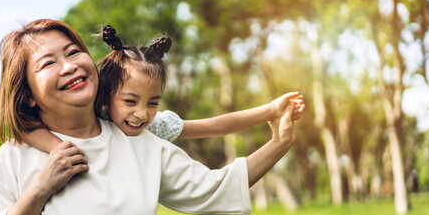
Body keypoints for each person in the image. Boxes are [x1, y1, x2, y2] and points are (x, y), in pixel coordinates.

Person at [0, 19, 300, 215]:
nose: (69, 65)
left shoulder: (140, 141)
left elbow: (218, 189)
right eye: (48, 62)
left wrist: (279, 144)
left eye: (73, 52)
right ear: (28, 94)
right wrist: (39, 190)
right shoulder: (15, 157)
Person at [24, 24, 305, 152]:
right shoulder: (88, 116)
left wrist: (269, 110)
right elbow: (24, 126)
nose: (142, 114)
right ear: (106, 95)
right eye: (131, 101)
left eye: (153, 102)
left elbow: (214, 126)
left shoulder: (154, 127)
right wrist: (59, 149)